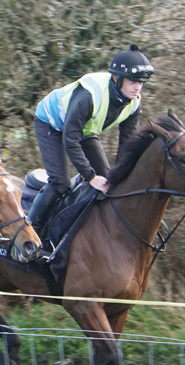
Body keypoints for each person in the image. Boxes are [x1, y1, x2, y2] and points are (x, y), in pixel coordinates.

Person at [28, 44, 154, 234]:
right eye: (132, 81)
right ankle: (31, 231)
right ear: (116, 78)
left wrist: (123, 175)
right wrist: (91, 176)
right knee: (60, 182)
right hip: (51, 124)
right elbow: (70, 140)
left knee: (109, 183)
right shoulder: (88, 96)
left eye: (141, 82)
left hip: (85, 131)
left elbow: (127, 145)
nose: (138, 87)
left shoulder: (134, 103)